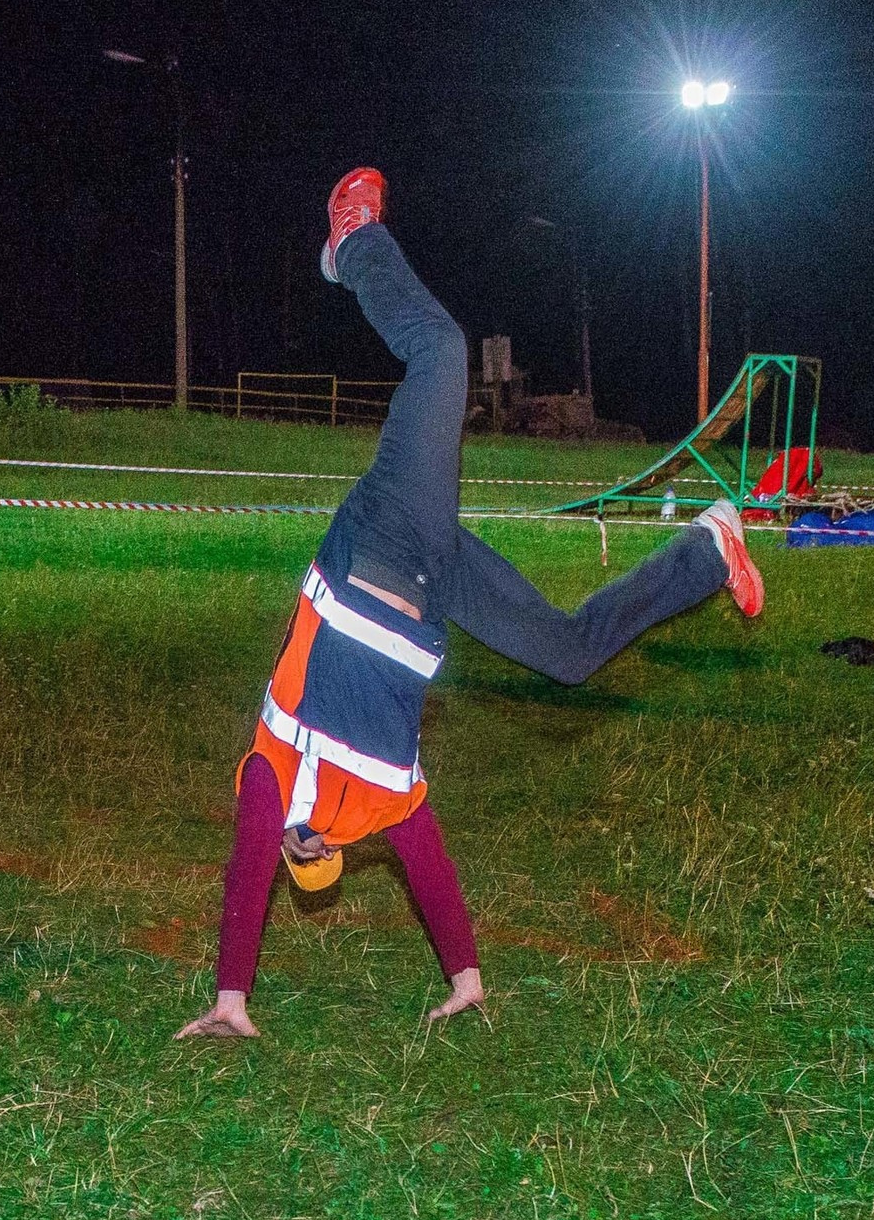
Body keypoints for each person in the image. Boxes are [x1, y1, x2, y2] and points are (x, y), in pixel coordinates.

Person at [178, 168, 766, 1041]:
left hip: (381, 541)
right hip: (430, 578)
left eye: (298, 853)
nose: (305, 846)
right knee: (568, 653)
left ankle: (354, 240)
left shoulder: (278, 775)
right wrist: (467, 977)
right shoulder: (387, 802)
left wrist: (233, 996)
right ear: (333, 854)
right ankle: (709, 549)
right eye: (316, 857)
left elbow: (245, 862)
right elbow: (431, 873)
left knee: (442, 352)